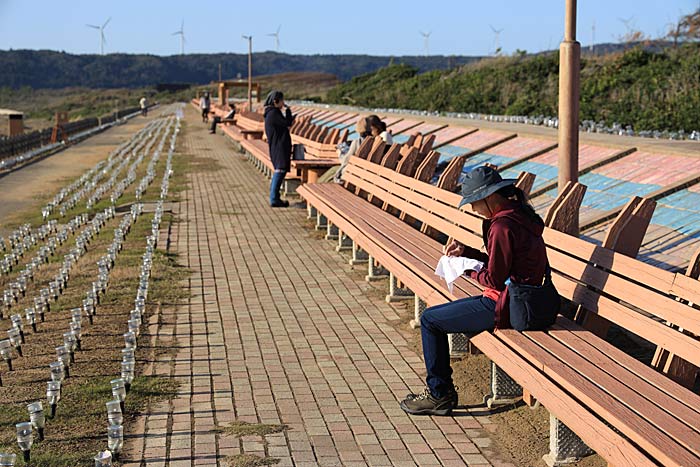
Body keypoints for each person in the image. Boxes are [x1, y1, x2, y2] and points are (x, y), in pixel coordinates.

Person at [400, 166, 551, 416]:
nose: (472, 209)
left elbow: (493, 278)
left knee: (430, 320)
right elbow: (503, 263)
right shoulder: (521, 216)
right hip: (525, 299)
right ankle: (440, 393)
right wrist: (467, 253)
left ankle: (439, 394)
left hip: (504, 306)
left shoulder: (501, 226)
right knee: (437, 316)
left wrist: (464, 269)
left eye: (474, 203)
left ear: (490, 198)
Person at [264, 90, 295, 208]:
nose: (283, 103)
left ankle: (275, 197)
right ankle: (274, 198)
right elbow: (287, 123)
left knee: (279, 170)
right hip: (279, 146)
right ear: (276, 101)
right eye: (282, 100)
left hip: (277, 145)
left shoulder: (271, 113)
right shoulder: (274, 113)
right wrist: (288, 111)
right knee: (280, 171)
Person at [329, 116, 371, 183]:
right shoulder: (374, 142)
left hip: (353, 174)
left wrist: (340, 154)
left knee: (329, 174)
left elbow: (346, 160)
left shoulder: (357, 142)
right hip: (365, 175)